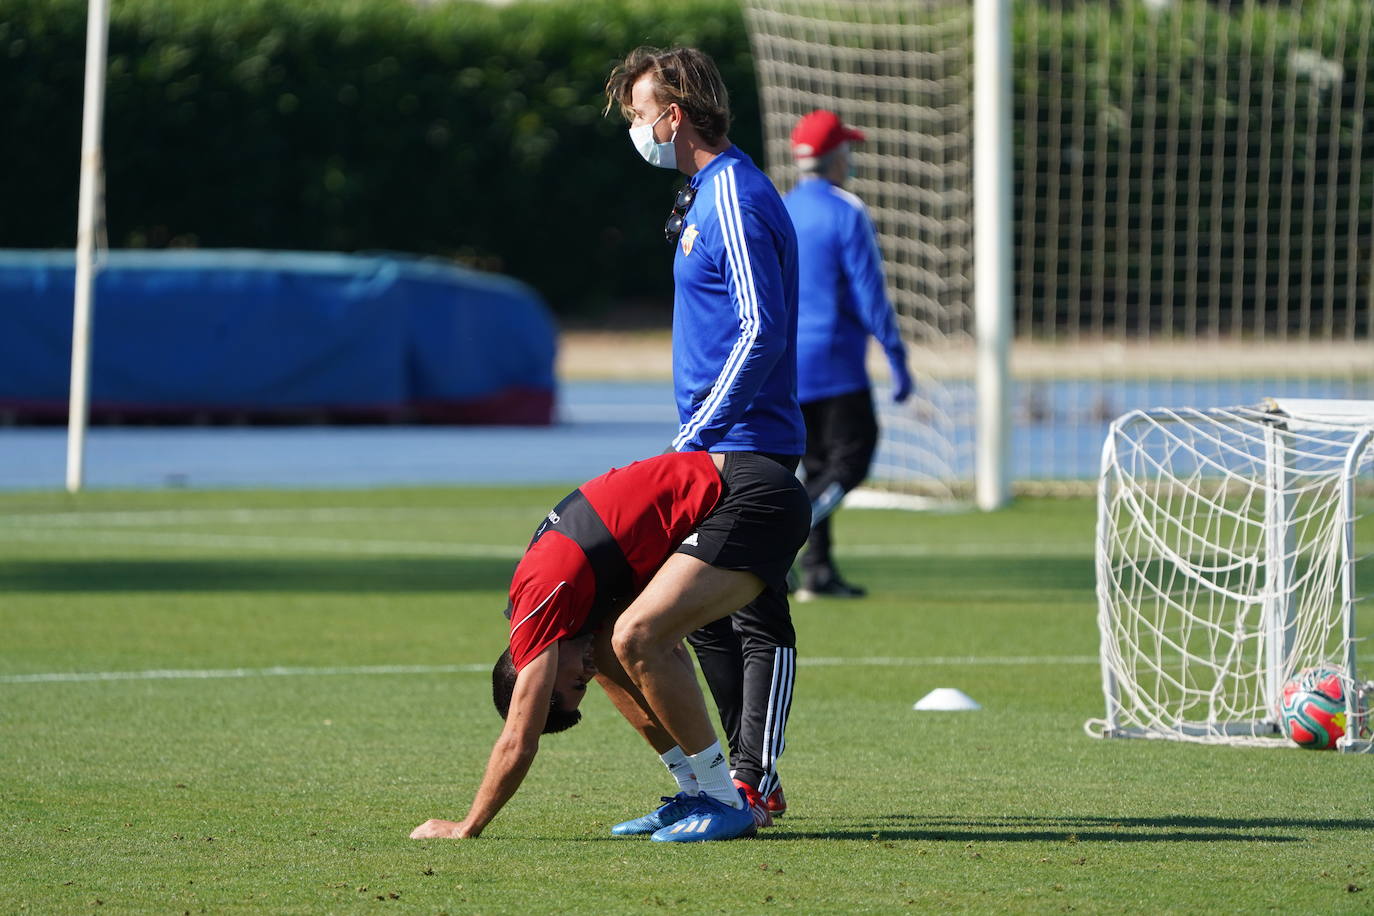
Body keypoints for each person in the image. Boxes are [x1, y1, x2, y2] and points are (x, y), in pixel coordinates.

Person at [408, 450, 811, 843]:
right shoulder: (569, 609)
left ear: (535, 676)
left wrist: (467, 825)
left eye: (575, 685)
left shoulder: (537, 606)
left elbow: (518, 739)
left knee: (636, 637)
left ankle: (723, 799)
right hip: (741, 496)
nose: (584, 676)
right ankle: (695, 790)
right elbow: (668, 657)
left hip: (753, 496)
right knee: (609, 649)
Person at [603, 46, 805, 822]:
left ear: (674, 115)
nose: (636, 129)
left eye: (639, 115)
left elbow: (760, 329)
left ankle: (754, 779)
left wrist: (699, 430)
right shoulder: (705, 193)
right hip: (714, 440)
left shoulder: (736, 197)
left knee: (754, 611)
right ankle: (724, 786)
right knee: (705, 615)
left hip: (748, 442)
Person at [783, 109, 913, 600]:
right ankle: (778, 543)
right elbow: (869, 293)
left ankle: (818, 571)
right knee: (852, 460)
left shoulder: (782, 208)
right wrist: (896, 358)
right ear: (837, 156)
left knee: (817, 466)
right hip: (836, 364)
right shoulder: (845, 211)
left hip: (787, 364)